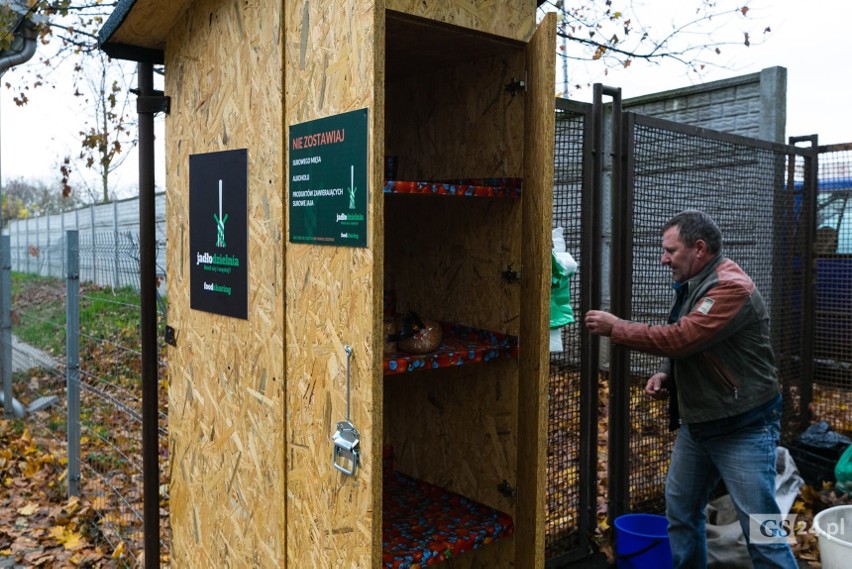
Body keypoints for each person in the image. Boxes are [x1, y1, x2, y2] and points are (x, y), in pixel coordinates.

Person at [584, 210, 797, 569]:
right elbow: (695, 340)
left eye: (670, 250)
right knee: (681, 517)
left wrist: (617, 327)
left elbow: (683, 337)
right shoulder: (695, 282)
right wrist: (668, 372)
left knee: (765, 533)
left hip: (744, 427)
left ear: (699, 248)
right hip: (699, 425)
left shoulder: (731, 287)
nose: (662, 258)